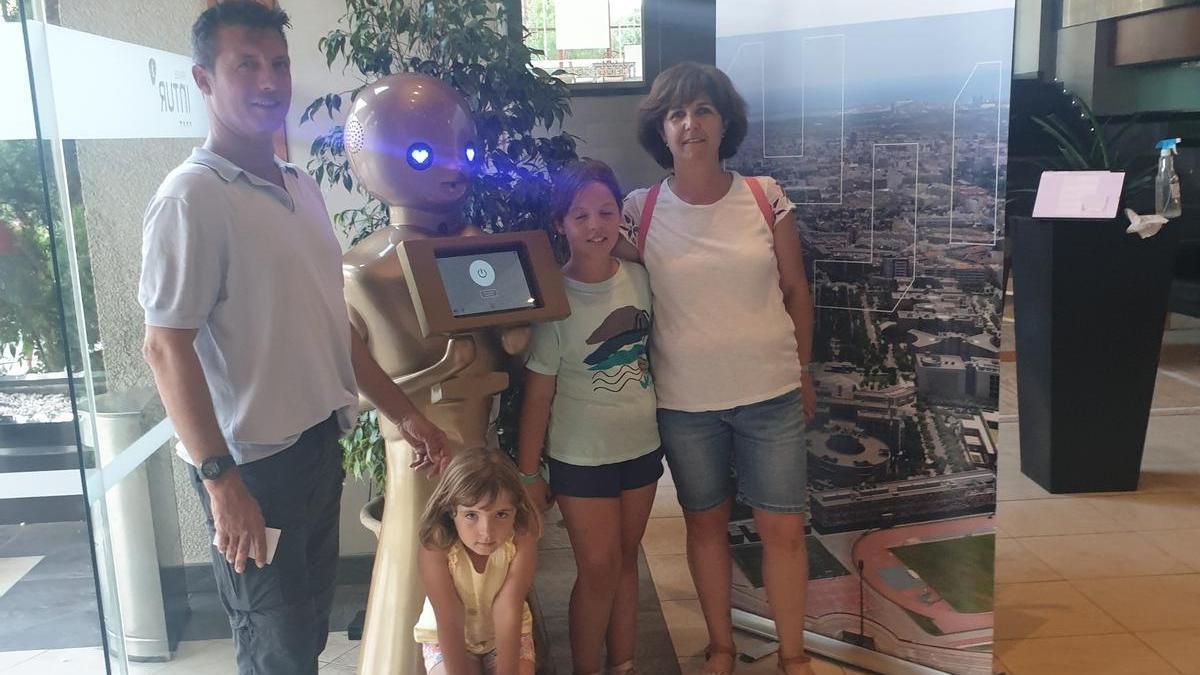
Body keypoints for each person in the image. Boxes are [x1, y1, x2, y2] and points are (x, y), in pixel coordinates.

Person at [138, 3, 447, 673]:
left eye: (277, 63)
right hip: (251, 470)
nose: (268, 80)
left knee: (304, 638)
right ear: (203, 80)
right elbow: (165, 347)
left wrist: (404, 412)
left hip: (315, 447)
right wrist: (221, 483)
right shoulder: (192, 198)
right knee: (275, 652)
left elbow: (331, 325)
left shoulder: (300, 188)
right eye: (244, 64)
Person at [619, 61, 817, 675]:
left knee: (782, 531)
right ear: (662, 129)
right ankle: (721, 647)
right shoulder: (639, 210)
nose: (690, 123)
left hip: (771, 393)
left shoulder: (764, 196)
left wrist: (803, 369)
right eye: (676, 113)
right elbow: (604, 290)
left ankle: (792, 654)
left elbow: (795, 289)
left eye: (702, 109)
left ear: (724, 121)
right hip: (684, 402)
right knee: (704, 527)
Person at [518, 159, 662, 675]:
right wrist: (529, 473)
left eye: (605, 212)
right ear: (560, 224)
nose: (596, 225)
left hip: (643, 449)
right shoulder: (554, 298)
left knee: (626, 564)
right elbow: (539, 394)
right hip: (581, 457)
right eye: (580, 216)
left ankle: (622, 663)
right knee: (598, 569)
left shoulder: (642, 280)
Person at [414, 448, 542, 675]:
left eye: (501, 514)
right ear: (450, 510)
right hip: (450, 636)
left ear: (516, 510)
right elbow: (449, 616)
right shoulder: (435, 547)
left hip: (507, 633)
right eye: (471, 515)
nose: (486, 533)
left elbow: (508, 608)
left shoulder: (522, 540)